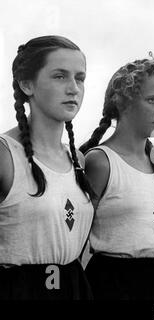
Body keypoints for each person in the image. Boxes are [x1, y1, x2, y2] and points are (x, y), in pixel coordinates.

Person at [0, 35, 94, 299]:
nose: (74, 88)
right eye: (60, 76)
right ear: (27, 84)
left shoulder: (77, 159)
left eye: (80, 78)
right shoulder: (5, 155)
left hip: (74, 286)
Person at [80, 56, 154, 300]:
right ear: (122, 102)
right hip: (113, 284)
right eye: (152, 100)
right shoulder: (100, 162)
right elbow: (76, 244)